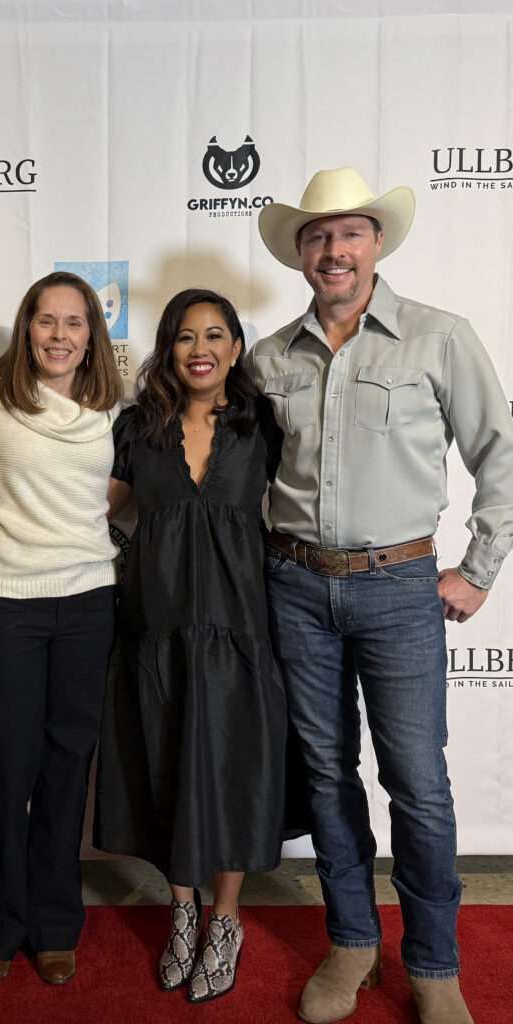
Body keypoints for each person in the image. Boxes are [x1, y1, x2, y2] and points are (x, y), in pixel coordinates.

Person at [249, 166, 513, 1024]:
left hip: (400, 587)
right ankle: (352, 942)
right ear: (301, 253)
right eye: (318, 236)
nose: (335, 249)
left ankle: (434, 964)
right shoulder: (268, 358)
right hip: (293, 587)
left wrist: (476, 571)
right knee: (327, 777)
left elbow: (500, 455)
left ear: (377, 244)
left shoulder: (438, 338)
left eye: (351, 233)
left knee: (418, 785)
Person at [94, 288, 292, 1004]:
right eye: (184, 336)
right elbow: (100, 510)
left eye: (215, 334)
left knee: (234, 770)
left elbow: (310, 499)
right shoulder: (137, 426)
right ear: (167, 349)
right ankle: (182, 909)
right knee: (167, 761)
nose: (200, 348)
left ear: (236, 347)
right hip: (158, 629)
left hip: (242, 629)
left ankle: (227, 919)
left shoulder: (263, 423)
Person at [0, 271, 123, 988]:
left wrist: (78, 516)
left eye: (75, 321)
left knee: (67, 772)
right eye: (46, 320)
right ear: (27, 328)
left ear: (93, 333)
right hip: (7, 603)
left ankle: (57, 924)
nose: (60, 335)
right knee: (10, 769)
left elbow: (119, 491)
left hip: (90, 602)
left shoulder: (112, 412)